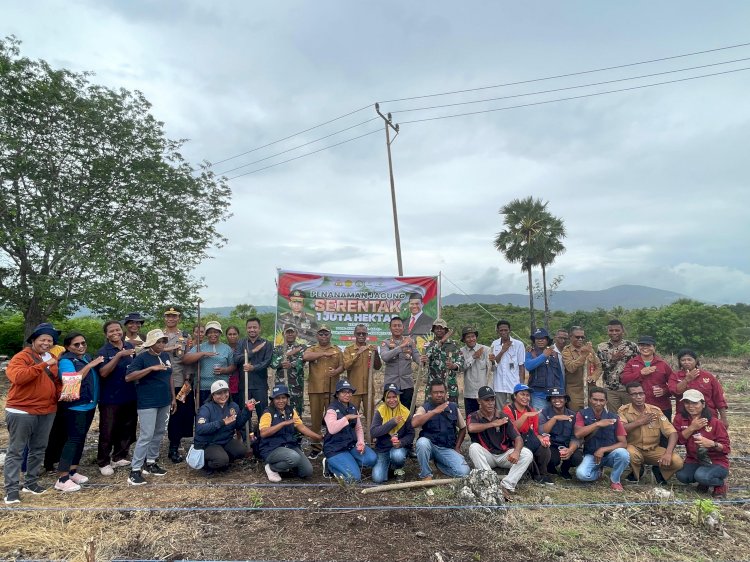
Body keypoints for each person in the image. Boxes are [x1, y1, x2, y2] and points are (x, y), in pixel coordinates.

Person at [3, 323, 62, 504]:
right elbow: (18, 378)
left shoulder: (53, 357)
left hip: (47, 410)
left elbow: (55, 381)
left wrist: (62, 394)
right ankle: (11, 490)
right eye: (42, 339)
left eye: (50, 340)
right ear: (34, 340)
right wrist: (43, 364)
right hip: (22, 410)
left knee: (38, 449)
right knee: (16, 451)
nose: (46, 342)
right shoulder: (21, 357)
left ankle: (31, 483)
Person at [53, 332, 104, 492]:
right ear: (68, 347)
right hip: (76, 407)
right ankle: (62, 478)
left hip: (89, 405)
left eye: (83, 343)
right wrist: (90, 365)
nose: (81, 346)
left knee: (81, 438)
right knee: (73, 440)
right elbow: (71, 381)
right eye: (76, 344)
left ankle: (72, 471)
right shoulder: (67, 360)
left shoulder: (85, 357)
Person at [125, 329, 176, 485]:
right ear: (151, 344)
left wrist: (173, 398)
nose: (161, 344)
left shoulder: (165, 356)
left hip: (164, 400)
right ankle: (135, 470)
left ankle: (151, 462)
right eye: (158, 342)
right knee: (146, 434)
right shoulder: (142, 358)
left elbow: (170, 377)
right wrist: (150, 369)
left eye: (163, 341)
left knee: (159, 432)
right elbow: (128, 377)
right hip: (147, 401)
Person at [467, 386, 533, 499]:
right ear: (479, 401)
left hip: (504, 455)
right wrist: (493, 424)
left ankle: (506, 485)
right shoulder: (474, 416)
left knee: (527, 454)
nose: (490, 403)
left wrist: (516, 452)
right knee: (473, 448)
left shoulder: (503, 416)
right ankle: (491, 484)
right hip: (487, 456)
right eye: (486, 400)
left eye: (492, 399)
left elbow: (518, 438)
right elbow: (471, 428)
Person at [619, 382, 683, 484]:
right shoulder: (624, 410)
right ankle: (637, 472)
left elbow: (672, 433)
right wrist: (639, 422)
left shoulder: (655, 411)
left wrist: (668, 453)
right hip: (634, 448)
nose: (639, 397)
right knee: (629, 452)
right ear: (629, 396)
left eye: (641, 393)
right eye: (634, 394)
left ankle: (660, 472)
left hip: (653, 449)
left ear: (645, 394)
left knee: (677, 461)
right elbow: (621, 429)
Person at [96, 320, 137, 476]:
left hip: (130, 394)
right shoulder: (104, 351)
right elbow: (103, 372)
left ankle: (119, 455)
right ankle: (103, 461)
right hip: (110, 398)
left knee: (127, 428)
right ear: (106, 334)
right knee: (108, 430)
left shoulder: (130, 347)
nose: (115, 333)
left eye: (117, 330)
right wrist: (119, 355)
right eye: (111, 331)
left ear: (122, 331)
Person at [673, 389, 730, 498]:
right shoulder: (680, 419)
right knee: (682, 476)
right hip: (693, 459)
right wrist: (692, 428)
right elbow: (678, 440)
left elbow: (726, 448)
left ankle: (720, 484)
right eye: (687, 402)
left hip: (716, 461)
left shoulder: (715, 422)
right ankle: (704, 481)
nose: (690, 406)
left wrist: (713, 444)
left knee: (702, 476)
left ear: (703, 404)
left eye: (695, 403)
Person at [258, 384, 321, 482]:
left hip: (289, 445)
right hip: (272, 448)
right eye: (277, 398)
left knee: (307, 471)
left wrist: (318, 437)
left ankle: (286, 467)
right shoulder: (268, 413)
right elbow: (263, 433)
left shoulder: (290, 410)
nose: (281, 401)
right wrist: (283, 423)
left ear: (287, 398)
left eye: (283, 398)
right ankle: (271, 467)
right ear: (273, 400)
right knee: (294, 457)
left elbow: (301, 427)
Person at [412, 381, 470, 481]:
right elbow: (414, 423)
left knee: (464, 472)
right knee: (422, 443)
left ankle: (440, 466)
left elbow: (463, 428)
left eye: (441, 392)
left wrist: (457, 447)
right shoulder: (424, 408)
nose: (439, 395)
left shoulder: (453, 407)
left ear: (445, 392)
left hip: (446, 448)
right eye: (435, 392)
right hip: (429, 446)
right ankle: (426, 475)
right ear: (430, 393)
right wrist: (434, 411)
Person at [574, 387, 630, 491]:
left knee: (623, 454)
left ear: (606, 401)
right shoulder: (582, 414)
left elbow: (623, 443)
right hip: (591, 455)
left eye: (601, 400)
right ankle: (598, 473)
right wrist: (597, 424)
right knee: (581, 475)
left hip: (610, 455)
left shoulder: (614, 417)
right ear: (590, 400)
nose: (598, 403)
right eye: (595, 400)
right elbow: (578, 434)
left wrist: (603, 449)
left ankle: (615, 481)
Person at [194, 380, 255, 473]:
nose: (223, 396)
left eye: (225, 392)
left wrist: (247, 411)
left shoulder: (233, 406)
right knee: (221, 460)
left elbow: (238, 424)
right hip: (208, 443)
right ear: (213, 395)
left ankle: (224, 461)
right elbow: (200, 429)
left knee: (242, 451)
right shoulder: (206, 408)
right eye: (219, 393)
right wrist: (222, 422)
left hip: (225, 440)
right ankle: (206, 465)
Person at [322, 379, 377, 482]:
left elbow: (358, 427)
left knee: (372, 459)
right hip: (335, 448)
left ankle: (348, 462)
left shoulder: (352, 407)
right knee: (354, 478)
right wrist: (346, 418)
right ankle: (330, 466)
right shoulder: (331, 410)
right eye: (343, 392)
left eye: (349, 392)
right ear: (337, 394)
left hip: (350, 445)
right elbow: (332, 429)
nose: (347, 395)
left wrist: (360, 442)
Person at [303, 325, 344, 459]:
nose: (324, 336)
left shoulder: (337, 350)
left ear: (330, 335)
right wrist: (323, 354)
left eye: (326, 334)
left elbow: (342, 366)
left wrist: (336, 371)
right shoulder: (312, 349)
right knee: (315, 420)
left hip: (332, 390)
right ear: (317, 336)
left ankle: (332, 446)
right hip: (316, 390)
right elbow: (305, 356)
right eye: (321, 334)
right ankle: (316, 447)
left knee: (332, 419)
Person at [503, 383, 553, 484]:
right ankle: (535, 474)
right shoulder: (508, 409)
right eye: (522, 394)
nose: (525, 397)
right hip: (513, 440)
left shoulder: (532, 410)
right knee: (526, 450)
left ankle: (542, 473)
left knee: (545, 448)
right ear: (515, 396)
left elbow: (534, 432)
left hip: (528, 438)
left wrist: (541, 439)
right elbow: (512, 429)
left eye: (527, 395)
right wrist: (525, 415)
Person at [162, 306, 193, 463]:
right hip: (161, 379)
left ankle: (174, 446)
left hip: (179, 379)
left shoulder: (185, 337)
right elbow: (154, 350)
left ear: (178, 318)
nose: (171, 319)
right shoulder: (159, 336)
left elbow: (187, 358)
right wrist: (170, 347)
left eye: (174, 316)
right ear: (164, 318)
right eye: (168, 316)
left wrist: (188, 378)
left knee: (178, 414)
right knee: (163, 413)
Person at [669, 349, 728, 427]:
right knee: (684, 437)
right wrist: (686, 380)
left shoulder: (708, 376)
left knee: (709, 437)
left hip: (708, 414)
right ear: (679, 362)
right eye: (683, 360)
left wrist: (724, 418)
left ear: (696, 361)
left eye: (689, 359)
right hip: (684, 416)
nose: (686, 362)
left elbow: (718, 398)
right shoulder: (675, 376)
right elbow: (675, 391)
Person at [370, 383, 415, 483]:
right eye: (388, 397)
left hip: (398, 448)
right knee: (377, 478)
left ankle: (399, 468)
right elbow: (373, 432)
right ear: (385, 398)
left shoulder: (405, 412)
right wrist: (392, 423)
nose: (392, 400)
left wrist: (401, 442)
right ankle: (389, 466)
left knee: (398, 455)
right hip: (383, 449)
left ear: (398, 397)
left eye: (394, 397)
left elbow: (411, 434)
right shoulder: (380, 411)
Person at [621, 336, 674, 419]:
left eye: (648, 345)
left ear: (654, 347)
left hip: (661, 407)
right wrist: (640, 373)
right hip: (638, 407)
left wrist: (664, 391)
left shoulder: (662, 364)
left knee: (663, 431)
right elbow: (624, 380)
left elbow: (673, 384)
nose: (645, 348)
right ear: (638, 347)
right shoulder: (632, 363)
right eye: (642, 345)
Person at [184, 320, 235, 406]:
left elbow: (233, 366)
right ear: (206, 334)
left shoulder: (226, 348)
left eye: (216, 332)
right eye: (210, 332)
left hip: (221, 387)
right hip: (202, 387)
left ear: (220, 333)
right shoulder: (199, 347)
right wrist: (202, 353)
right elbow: (185, 359)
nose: (213, 335)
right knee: (204, 413)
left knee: (221, 413)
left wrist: (224, 370)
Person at [233, 317, 273, 421]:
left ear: (259, 329)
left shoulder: (267, 344)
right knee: (245, 414)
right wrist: (252, 352)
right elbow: (236, 359)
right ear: (246, 329)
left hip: (260, 385)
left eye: (255, 327)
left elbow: (267, 362)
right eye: (249, 327)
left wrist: (253, 367)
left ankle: (262, 436)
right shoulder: (241, 343)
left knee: (263, 413)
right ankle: (248, 436)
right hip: (244, 386)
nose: (252, 330)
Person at [539, 387, 582, 479]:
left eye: (560, 397)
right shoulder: (544, 413)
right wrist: (555, 418)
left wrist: (570, 450)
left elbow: (576, 437)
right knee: (552, 459)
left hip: (567, 445)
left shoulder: (573, 415)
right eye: (554, 398)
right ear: (550, 400)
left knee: (577, 458)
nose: (557, 400)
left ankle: (565, 470)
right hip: (551, 445)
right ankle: (550, 468)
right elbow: (542, 432)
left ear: (566, 400)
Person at [596, 319, 639, 412]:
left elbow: (638, 364)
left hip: (629, 389)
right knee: (614, 417)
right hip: (611, 389)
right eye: (611, 330)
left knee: (632, 414)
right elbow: (600, 367)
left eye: (617, 330)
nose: (614, 333)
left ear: (622, 331)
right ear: (607, 331)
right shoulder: (602, 347)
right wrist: (613, 360)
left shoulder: (632, 346)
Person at [379, 317, 420, 410]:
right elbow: (385, 357)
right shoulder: (386, 343)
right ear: (390, 328)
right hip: (391, 384)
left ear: (403, 327)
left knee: (408, 411)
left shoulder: (410, 342)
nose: (397, 328)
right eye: (394, 326)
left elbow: (417, 356)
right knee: (391, 412)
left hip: (407, 384)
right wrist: (400, 347)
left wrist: (422, 361)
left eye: (399, 326)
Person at [420, 319, 464, 403]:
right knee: (431, 413)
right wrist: (441, 342)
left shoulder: (453, 344)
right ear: (433, 330)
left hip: (450, 387)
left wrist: (453, 366)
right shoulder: (428, 345)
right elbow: (426, 358)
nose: (439, 330)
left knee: (451, 413)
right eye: (437, 328)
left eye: (442, 328)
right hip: (432, 387)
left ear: (446, 330)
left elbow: (461, 361)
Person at [562, 327, 602, 411]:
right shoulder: (566, 351)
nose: (580, 339)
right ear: (570, 337)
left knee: (592, 416)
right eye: (577, 337)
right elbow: (570, 368)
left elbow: (598, 367)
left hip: (590, 390)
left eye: (582, 337)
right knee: (576, 417)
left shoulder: (589, 350)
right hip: (575, 392)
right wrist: (583, 356)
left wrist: (594, 376)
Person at [342, 324, 382, 410]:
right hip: (354, 389)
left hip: (368, 389)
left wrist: (377, 354)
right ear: (354, 334)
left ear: (366, 335)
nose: (361, 335)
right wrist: (358, 353)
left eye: (363, 334)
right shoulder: (348, 349)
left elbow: (378, 367)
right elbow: (346, 366)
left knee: (370, 415)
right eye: (358, 333)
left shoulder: (370, 349)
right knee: (352, 415)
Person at [270, 325, 307, 415]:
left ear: (296, 334)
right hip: (281, 386)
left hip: (296, 386)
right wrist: (288, 354)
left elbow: (302, 361)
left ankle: (296, 429)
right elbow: (273, 364)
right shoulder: (277, 349)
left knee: (296, 412)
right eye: (287, 332)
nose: (290, 334)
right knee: (280, 411)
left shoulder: (302, 347)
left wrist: (291, 364)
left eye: (292, 332)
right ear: (283, 334)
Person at [525, 329, 565, 411]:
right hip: (538, 394)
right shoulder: (530, 353)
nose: (540, 340)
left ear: (547, 340)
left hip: (555, 394)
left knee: (554, 419)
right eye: (537, 339)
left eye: (543, 338)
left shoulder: (555, 354)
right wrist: (544, 355)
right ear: (534, 340)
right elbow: (529, 366)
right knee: (540, 419)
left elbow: (559, 375)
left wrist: (562, 392)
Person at [488, 320, 526, 407]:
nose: (503, 332)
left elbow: (521, 366)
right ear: (497, 331)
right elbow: (494, 363)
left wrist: (522, 385)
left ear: (510, 330)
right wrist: (502, 350)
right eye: (501, 330)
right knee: (500, 412)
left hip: (514, 385)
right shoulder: (495, 344)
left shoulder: (518, 344)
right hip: (499, 385)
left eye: (506, 330)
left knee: (515, 410)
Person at [459, 326, 491, 417]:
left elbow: (492, 368)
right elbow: (461, 368)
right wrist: (473, 357)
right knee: (471, 419)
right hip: (469, 392)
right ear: (464, 339)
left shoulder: (486, 349)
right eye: (468, 337)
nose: (471, 339)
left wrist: (493, 361)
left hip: (484, 393)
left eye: (473, 336)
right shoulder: (461, 351)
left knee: (485, 419)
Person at [225, 325, 242, 405]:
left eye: (234, 334)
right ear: (226, 336)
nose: (232, 336)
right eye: (230, 334)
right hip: (226, 380)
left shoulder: (243, 348)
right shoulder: (223, 348)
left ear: (238, 335)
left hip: (240, 381)